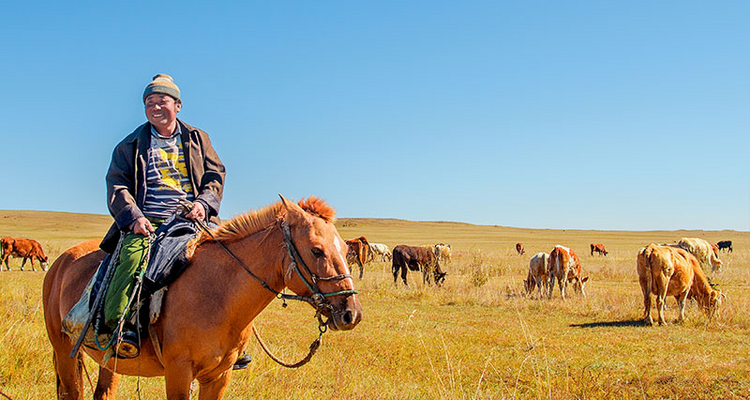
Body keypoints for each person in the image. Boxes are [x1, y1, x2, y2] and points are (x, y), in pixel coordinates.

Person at [100, 74, 249, 368]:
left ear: (177, 105)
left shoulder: (197, 138)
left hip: (190, 217)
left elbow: (214, 175)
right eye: (149, 102)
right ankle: (121, 327)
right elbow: (117, 186)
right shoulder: (129, 145)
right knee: (132, 260)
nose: (155, 107)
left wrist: (203, 204)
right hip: (148, 220)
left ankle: (237, 340)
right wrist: (134, 218)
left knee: (236, 262)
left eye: (162, 101)